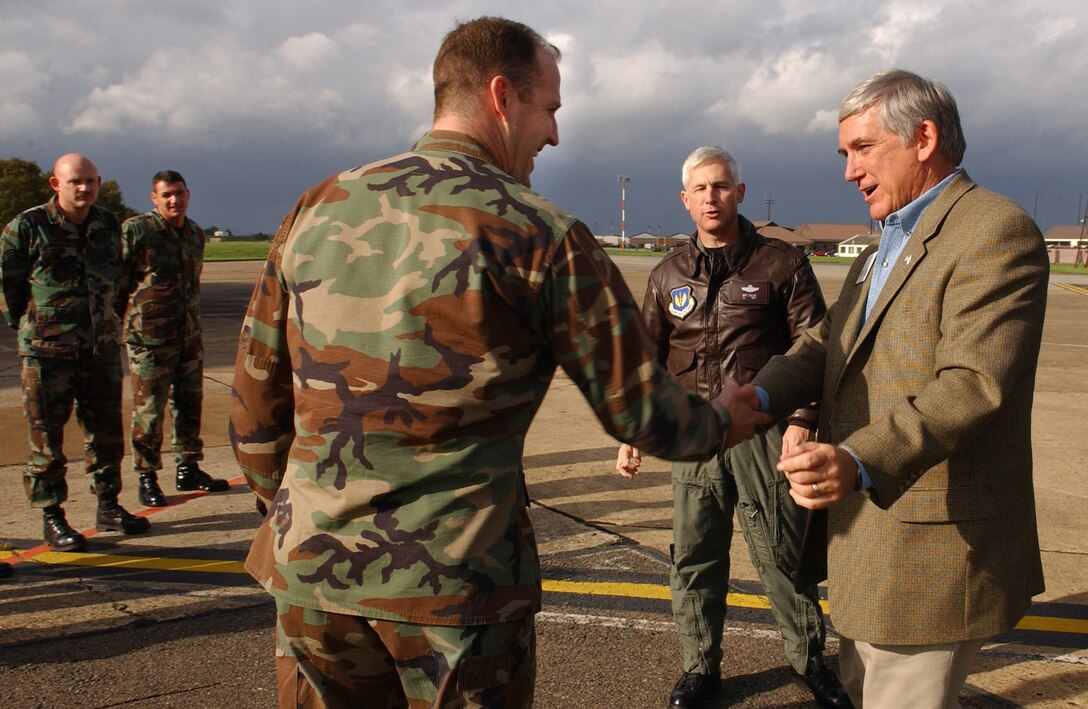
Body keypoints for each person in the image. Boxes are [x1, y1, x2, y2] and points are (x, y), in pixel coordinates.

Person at [229, 16, 770, 708]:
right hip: (459, 598)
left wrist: (302, 514)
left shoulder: (318, 207)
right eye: (548, 108)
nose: (554, 134)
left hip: (313, 583)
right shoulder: (540, 234)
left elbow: (254, 412)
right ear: (500, 96)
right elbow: (645, 415)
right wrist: (729, 417)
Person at [746, 69, 1048, 707]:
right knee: (860, 689)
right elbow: (828, 344)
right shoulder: (880, 245)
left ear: (924, 137)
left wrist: (857, 460)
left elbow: (972, 384)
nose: (849, 172)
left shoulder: (995, 230)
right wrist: (753, 399)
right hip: (867, 535)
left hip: (929, 545)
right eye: (844, 154)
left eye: (862, 149)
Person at [616, 146, 849, 709]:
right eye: (700, 189)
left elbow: (814, 348)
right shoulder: (667, 271)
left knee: (779, 552)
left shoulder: (781, 264)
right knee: (695, 553)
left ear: (739, 193)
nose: (710, 198)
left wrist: (801, 421)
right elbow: (645, 356)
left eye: (720, 187)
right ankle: (701, 668)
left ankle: (810, 660)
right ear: (685, 200)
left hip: (762, 434)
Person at [0, 153, 150, 552]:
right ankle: (53, 515)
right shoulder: (28, 227)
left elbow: (117, 280)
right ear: (56, 184)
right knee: (46, 439)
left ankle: (108, 504)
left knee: (106, 435)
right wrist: (34, 329)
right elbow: (9, 289)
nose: (84, 188)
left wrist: (104, 321)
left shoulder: (107, 223)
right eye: (75, 182)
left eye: (91, 181)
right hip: (47, 354)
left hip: (99, 349)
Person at [116, 170, 228, 508]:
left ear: (188, 194)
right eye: (166, 195)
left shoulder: (194, 233)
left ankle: (188, 467)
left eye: (179, 193)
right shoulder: (138, 231)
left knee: (190, 403)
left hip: (188, 335)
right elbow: (116, 281)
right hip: (149, 339)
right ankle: (146, 476)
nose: (174, 200)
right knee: (149, 411)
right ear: (154, 198)